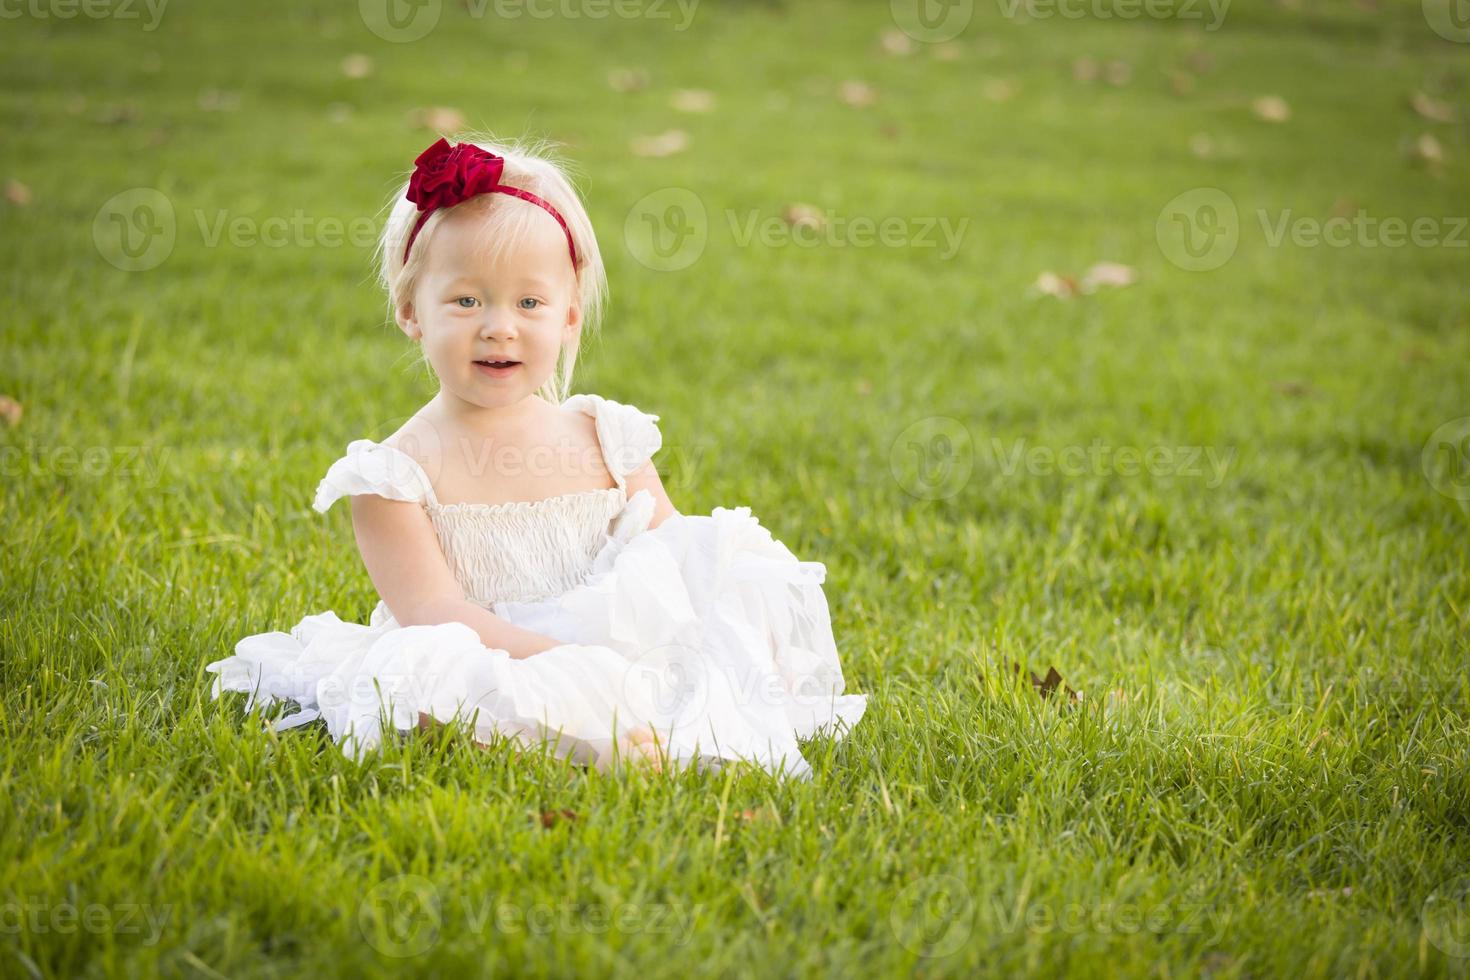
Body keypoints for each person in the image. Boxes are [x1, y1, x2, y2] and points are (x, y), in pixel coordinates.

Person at [205, 134, 868, 779]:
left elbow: (677, 552)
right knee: (434, 686)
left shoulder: (607, 439)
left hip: (626, 647)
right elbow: (436, 614)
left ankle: (666, 724)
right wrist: (568, 662)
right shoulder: (393, 478)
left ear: (569, 317)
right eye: (466, 300)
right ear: (411, 311)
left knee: (730, 586)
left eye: (530, 302)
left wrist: (715, 621)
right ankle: (589, 749)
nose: (500, 325)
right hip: (498, 651)